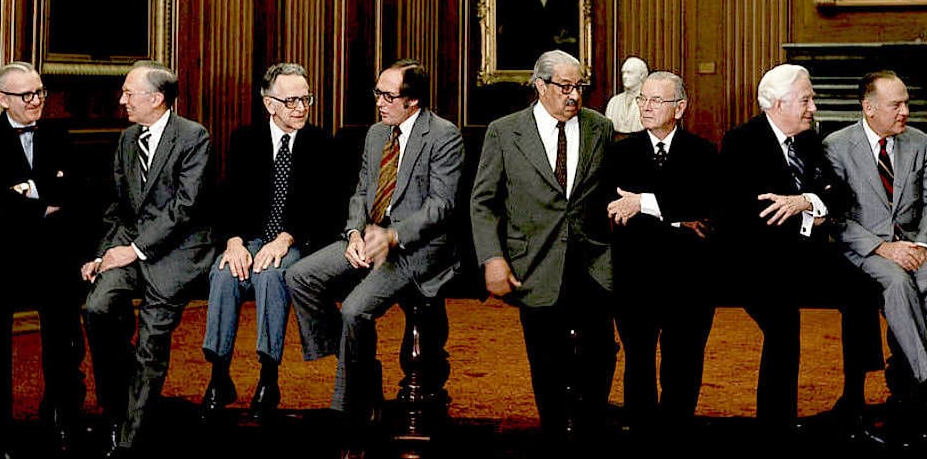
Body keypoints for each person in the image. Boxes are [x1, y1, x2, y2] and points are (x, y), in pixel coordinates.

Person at [285, 59, 462, 456]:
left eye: (388, 95)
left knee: (353, 311)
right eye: (378, 93)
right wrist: (352, 233)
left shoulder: (443, 135)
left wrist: (393, 235)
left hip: (415, 247)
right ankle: (364, 367)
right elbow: (362, 192)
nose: (379, 102)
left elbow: (441, 207)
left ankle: (350, 410)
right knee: (300, 276)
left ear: (413, 100)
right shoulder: (375, 134)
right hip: (368, 237)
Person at [717, 63, 884, 440]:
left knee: (861, 289)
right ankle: (775, 424)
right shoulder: (741, 142)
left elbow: (838, 195)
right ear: (777, 104)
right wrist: (810, 203)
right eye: (806, 99)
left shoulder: (809, 140)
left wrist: (804, 201)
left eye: (812, 98)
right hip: (755, 260)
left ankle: (853, 401)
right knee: (783, 324)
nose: (813, 106)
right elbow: (751, 212)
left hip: (802, 253)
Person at [470, 49, 616, 445]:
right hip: (533, 263)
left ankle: (589, 428)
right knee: (547, 359)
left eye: (580, 86)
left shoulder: (600, 127)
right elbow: (483, 202)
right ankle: (556, 434)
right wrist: (493, 257)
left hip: (592, 261)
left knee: (601, 352)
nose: (574, 95)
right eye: (565, 86)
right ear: (540, 86)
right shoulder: (504, 131)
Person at [199, 63, 357, 422]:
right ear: (269, 104)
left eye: (306, 99)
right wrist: (234, 242)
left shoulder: (321, 144)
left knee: (273, 276)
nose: (301, 107)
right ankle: (219, 376)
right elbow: (228, 198)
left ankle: (268, 377)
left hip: (297, 240)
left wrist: (285, 240)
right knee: (224, 274)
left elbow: (326, 209)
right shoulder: (245, 140)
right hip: (250, 238)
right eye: (291, 101)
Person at [79, 60, 216, 458]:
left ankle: (128, 441)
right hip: (130, 247)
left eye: (128, 93)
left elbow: (185, 208)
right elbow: (120, 209)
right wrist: (103, 255)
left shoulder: (193, 137)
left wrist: (135, 250)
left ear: (156, 99)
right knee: (97, 308)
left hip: (178, 252)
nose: (121, 100)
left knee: (151, 341)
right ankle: (120, 407)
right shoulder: (126, 139)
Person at [823, 70, 927, 442]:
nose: (905, 111)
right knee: (898, 283)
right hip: (866, 247)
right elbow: (836, 216)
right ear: (869, 109)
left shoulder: (920, 142)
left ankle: (923, 379)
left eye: (906, 102)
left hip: (915, 243)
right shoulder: (836, 146)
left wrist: (923, 243)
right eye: (896, 104)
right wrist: (883, 247)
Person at [0, 61, 86, 458]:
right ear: (1, 99)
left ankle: (63, 416)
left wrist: (27, 195)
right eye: (26, 95)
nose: (36, 102)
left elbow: (75, 194)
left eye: (40, 93)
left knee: (65, 334)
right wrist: (42, 202)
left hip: (48, 255)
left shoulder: (58, 133)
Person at [604, 71, 716, 445]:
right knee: (637, 359)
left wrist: (643, 202)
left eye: (656, 100)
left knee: (683, 361)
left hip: (689, 278)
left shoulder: (703, 152)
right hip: (636, 274)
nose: (646, 107)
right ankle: (640, 436)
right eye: (642, 100)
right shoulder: (619, 153)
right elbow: (614, 211)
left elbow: (703, 203)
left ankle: (677, 434)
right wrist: (676, 216)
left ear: (679, 108)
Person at [604, 57, 649, 134]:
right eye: (623, 73)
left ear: (641, 75)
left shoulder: (649, 103)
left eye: (629, 72)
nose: (624, 76)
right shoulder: (613, 102)